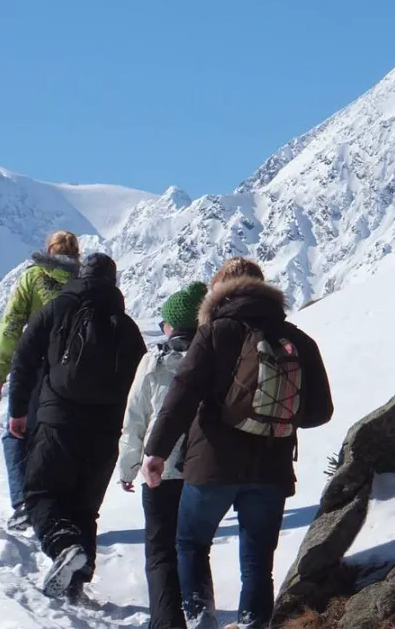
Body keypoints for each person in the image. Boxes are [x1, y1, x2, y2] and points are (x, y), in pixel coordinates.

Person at [141, 258, 335, 629]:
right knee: (258, 562)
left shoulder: (215, 331)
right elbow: (320, 412)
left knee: (191, 544)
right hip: (272, 466)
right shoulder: (298, 339)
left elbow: (181, 394)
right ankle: (253, 623)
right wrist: (276, 415)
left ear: (218, 293)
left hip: (211, 463)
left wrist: (156, 452)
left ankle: (201, 618)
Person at [8, 252, 146, 600]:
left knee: (41, 493)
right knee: (85, 506)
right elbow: (142, 383)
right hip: (105, 430)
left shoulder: (56, 310)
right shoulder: (126, 326)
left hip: (58, 419)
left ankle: (64, 546)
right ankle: (77, 579)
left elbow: (24, 359)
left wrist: (18, 410)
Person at [117, 281, 208, 629]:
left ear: (171, 326)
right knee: (195, 548)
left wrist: (128, 467)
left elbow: (134, 419)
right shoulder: (214, 359)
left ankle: (167, 622)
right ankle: (202, 615)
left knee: (160, 552)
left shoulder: (153, 361)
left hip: (159, 469)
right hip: (203, 469)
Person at [0, 230, 81, 531]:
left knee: (16, 434)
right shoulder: (85, 282)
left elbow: (11, 324)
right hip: (71, 372)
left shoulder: (32, 278)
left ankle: (23, 503)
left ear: (49, 250)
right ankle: (58, 504)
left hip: (33, 366)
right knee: (57, 435)